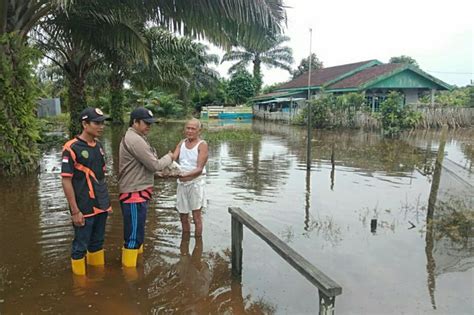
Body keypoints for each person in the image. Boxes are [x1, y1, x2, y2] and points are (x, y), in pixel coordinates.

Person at [118, 107, 173, 267]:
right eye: (146, 123)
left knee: (137, 233)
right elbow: (154, 164)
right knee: (134, 237)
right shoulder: (135, 139)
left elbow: (139, 167)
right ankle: (130, 277)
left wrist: (159, 175)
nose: (149, 126)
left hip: (137, 192)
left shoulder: (137, 137)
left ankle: (136, 265)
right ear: (135, 122)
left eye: (151, 123)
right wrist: (170, 156)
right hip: (134, 194)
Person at [61, 107, 112, 276]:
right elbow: (66, 180)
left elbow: (101, 177)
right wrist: (75, 211)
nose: (101, 126)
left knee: (97, 243)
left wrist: (106, 203)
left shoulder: (98, 146)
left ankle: (98, 280)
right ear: (85, 124)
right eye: (97, 123)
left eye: (102, 123)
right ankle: (80, 287)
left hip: (101, 205)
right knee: (80, 247)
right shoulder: (71, 148)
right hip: (83, 207)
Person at [172, 118, 208, 236]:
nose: (190, 131)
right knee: (183, 215)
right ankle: (185, 242)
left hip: (196, 183)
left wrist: (184, 174)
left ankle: (198, 241)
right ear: (184, 129)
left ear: (199, 130)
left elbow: (199, 169)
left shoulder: (202, 145)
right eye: (188, 128)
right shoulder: (182, 143)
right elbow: (172, 158)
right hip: (182, 184)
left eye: (193, 129)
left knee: (196, 216)